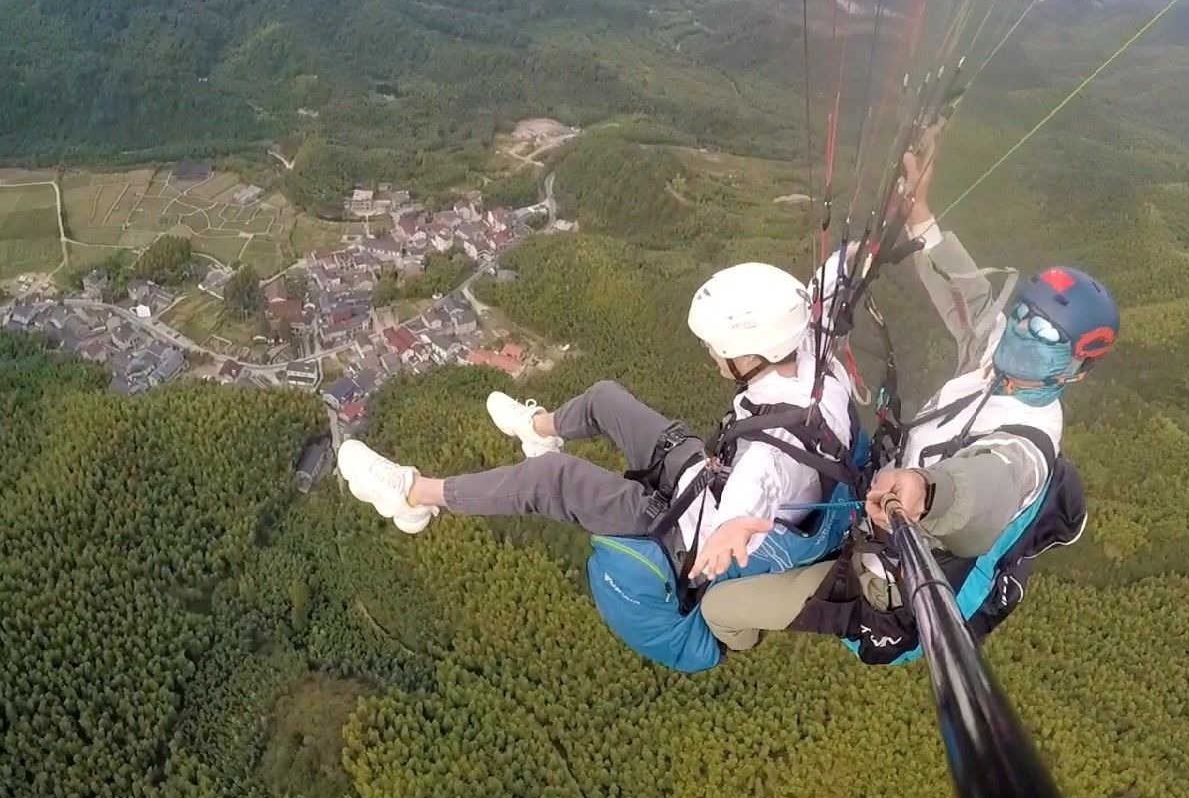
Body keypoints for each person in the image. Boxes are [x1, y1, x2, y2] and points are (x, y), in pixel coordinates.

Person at [701, 122, 1119, 658]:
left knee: (719, 608)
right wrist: (919, 211)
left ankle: (736, 644)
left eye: (1046, 334)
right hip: (880, 504)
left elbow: (989, 484)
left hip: (894, 589)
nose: (1021, 330)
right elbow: (970, 301)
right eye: (1024, 314)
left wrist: (929, 490)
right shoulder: (1002, 357)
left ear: (1077, 369)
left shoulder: (1026, 445)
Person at [336, 258, 856, 585]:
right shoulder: (810, 349)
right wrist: (903, 212)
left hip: (690, 530)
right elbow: (823, 288)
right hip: (706, 481)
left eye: (717, 349)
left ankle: (412, 497)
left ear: (751, 354)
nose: (711, 357)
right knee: (605, 397)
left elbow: (753, 490)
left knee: (553, 480)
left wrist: (727, 533)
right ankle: (537, 429)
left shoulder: (769, 456)